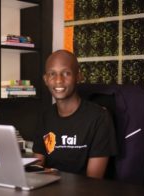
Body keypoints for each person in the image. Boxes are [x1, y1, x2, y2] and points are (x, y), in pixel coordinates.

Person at [32, 49, 117, 179]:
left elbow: (93, 180)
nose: (58, 80)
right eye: (52, 74)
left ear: (78, 76)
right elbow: (37, 167)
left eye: (66, 73)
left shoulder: (99, 118)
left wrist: (53, 175)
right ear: (45, 79)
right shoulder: (45, 117)